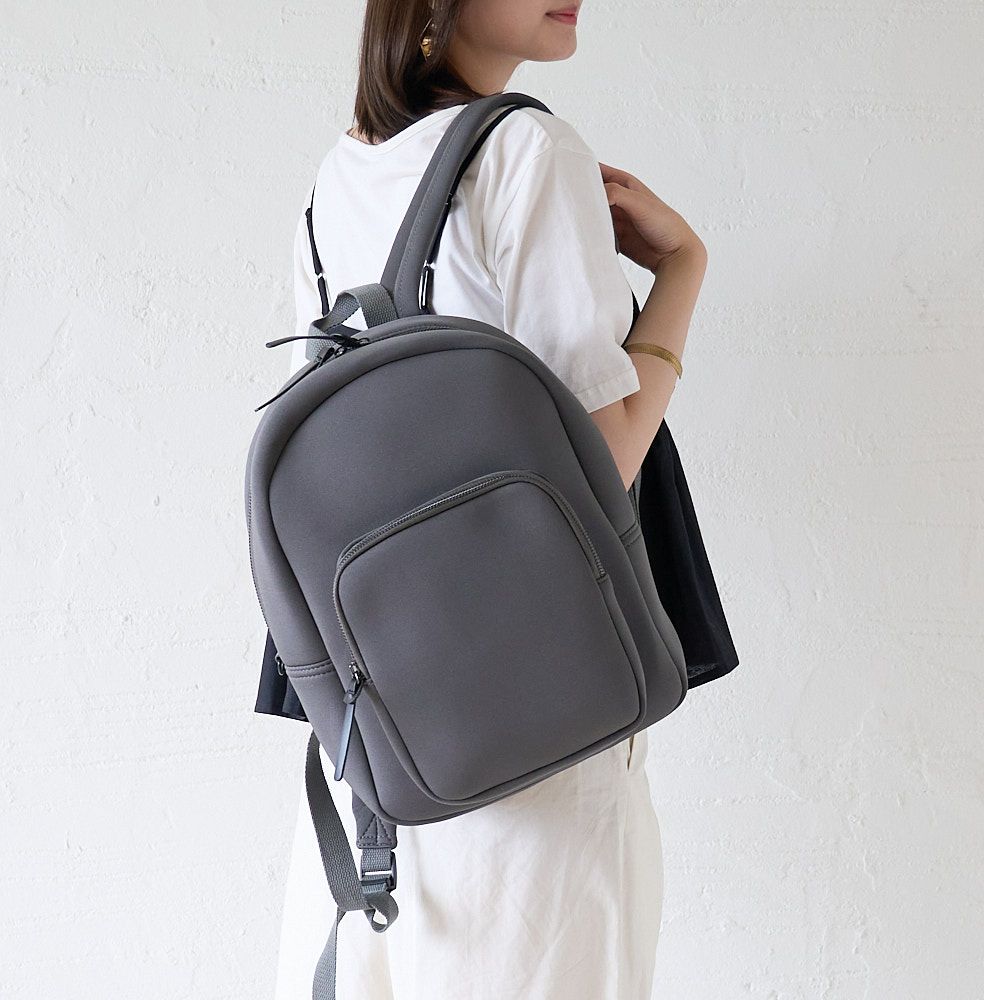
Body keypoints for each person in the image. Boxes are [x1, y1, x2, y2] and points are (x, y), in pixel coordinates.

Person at [268, 1, 710, 996]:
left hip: (380, 748)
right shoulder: (529, 153)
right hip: (536, 729)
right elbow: (602, 464)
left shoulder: (336, 180)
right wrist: (683, 271)